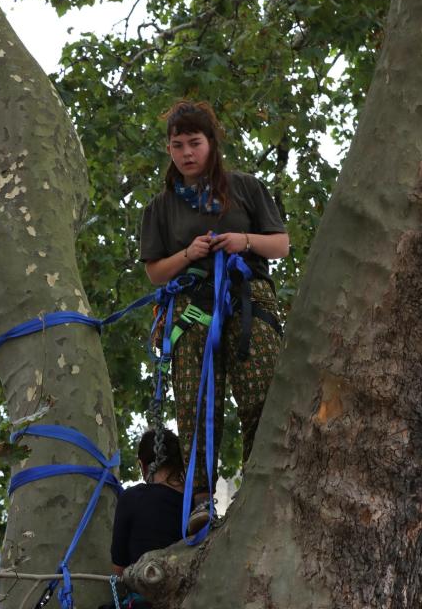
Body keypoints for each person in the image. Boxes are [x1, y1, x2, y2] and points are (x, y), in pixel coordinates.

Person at [139, 100, 289, 533]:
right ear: (169, 150)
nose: (186, 153)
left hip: (247, 300)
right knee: (196, 401)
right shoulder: (161, 208)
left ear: (211, 144)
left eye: (194, 143)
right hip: (191, 309)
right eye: (177, 145)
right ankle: (201, 498)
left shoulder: (245, 188)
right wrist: (188, 254)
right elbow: (155, 273)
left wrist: (243, 240)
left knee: (261, 390)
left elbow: (280, 245)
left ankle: (259, 484)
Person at [110, 429, 185, 574]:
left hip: (143, 592)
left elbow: (118, 568)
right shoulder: (199, 505)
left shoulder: (131, 498)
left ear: (142, 465)